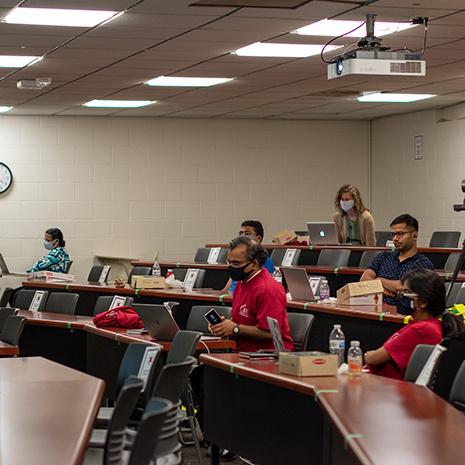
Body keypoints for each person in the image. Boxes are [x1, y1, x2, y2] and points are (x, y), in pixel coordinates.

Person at [365, 268, 465, 381]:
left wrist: (367, 355)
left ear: (423, 302)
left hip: (384, 386)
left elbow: (372, 359)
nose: (402, 296)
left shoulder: (422, 329)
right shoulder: (422, 323)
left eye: (407, 292)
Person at [211, 235, 293, 352]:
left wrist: (235, 328)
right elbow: (244, 320)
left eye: (236, 264)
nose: (230, 267)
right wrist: (225, 326)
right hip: (242, 351)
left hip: (267, 355)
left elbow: (270, 332)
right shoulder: (241, 283)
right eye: (229, 262)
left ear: (254, 264)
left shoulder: (268, 289)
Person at [360, 214, 434, 314]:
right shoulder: (383, 256)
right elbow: (364, 279)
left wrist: (379, 280)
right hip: (375, 311)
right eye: (393, 235)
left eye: (400, 234)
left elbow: (404, 287)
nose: (395, 239)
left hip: (403, 316)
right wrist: (383, 290)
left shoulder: (423, 264)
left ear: (414, 235)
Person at [221, 220, 274, 294]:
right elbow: (227, 288)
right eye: (241, 233)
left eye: (247, 234)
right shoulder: (238, 273)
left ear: (258, 239)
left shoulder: (265, 260)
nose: (242, 236)